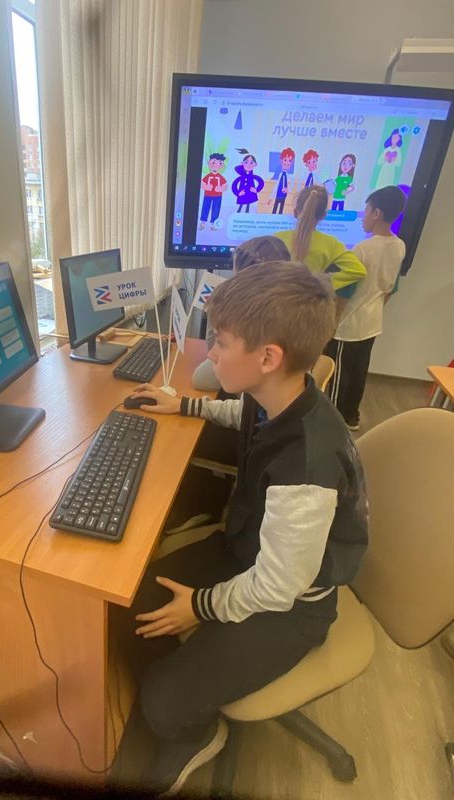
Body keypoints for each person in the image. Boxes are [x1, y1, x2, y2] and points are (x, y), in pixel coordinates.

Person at [121, 262, 368, 795]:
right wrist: (183, 404)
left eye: (220, 342)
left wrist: (200, 606)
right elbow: (244, 418)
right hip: (249, 550)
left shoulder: (305, 466)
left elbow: (279, 588)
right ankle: (192, 678)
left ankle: (192, 731)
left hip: (294, 603)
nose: (210, 353)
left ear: (267, 357)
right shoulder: (279, 395)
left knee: (163, 700)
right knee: (131, 602)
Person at [325, 185, 407, 431]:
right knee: (359, 371)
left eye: (367, 210)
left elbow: (345, 291)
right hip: (372, 322)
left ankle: (333, 422)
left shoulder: (363, 249)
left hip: (348, 324)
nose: (363, 216)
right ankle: (351, 416)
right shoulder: (399, 246)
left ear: (377, 213)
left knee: (337, 373)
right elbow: (392, 287)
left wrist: (333, 322)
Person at [192, 235, 291, 392]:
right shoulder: (294, 303)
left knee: (201, 377)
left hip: (256, 380)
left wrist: (217, 311)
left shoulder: (240, 306)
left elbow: (213, 355)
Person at [275, 184, 366, 302]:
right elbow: (357, 271)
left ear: (295, 212)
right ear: (323, 215)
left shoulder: (277, 238)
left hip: (279, 301)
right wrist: (321, 283)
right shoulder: (331, 243)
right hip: (311, 303)